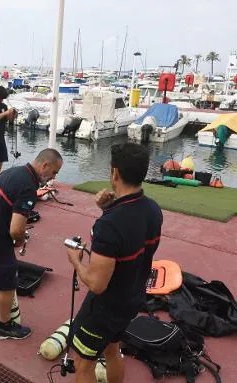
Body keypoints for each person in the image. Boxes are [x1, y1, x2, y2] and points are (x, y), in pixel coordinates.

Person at [65, 143, 163, 383]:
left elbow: (97, 284)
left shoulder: (109, 225)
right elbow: (131, 238)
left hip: (106, 307)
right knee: (112, 350)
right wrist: (108, 209)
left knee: (83, 361)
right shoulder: (153, 210)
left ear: (115, 173)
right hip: (132, 298)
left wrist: (75, 261)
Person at [0, 148, 63, 340]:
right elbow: (16, 229)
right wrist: (20, 241)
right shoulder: (28, 186)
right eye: (54, 172)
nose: (53, 177)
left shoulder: (14, 171)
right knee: (7, 281)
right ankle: (4, 326)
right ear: (44, 165)